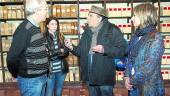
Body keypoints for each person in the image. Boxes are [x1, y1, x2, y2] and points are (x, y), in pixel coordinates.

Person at [65, 5, 127, 96]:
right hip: (89, 77)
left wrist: (104, 49)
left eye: (90, 16)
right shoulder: (86, 32)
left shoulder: (112, 29)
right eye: (88, 15)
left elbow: (123, 49)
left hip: (104, 77)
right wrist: (71, 47)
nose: (87, 18)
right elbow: (80, 52)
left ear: (99, 18)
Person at [6, 0, 49, 96]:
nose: (47, 11)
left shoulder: (36, 27)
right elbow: (11, 58)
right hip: (31, 81)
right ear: (37, 10)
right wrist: (15, 74)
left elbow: (30, 49)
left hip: (41, 78)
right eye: (45, 8)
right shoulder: (24, 29)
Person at [124, 3, 165, 96]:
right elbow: (129, 58)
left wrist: (131, 80)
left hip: (148, 87)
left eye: (134, 16)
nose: (131, 19)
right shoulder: (136, 36)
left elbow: (149, 66)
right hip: (133, 85)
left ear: (144, 17)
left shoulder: (156, 38)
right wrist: (126, 76)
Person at [44, 17, 69, 96]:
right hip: (49, 70)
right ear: (47, 25)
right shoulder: (43, 37)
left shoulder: (61, 36)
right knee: (49, 92)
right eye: (52, 24)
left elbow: (66, 52)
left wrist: (53, 53)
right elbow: (46, 55)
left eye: (56, 24)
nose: (54, 26)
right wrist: (59, 51)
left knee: (59, 91)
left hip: (61, 69)